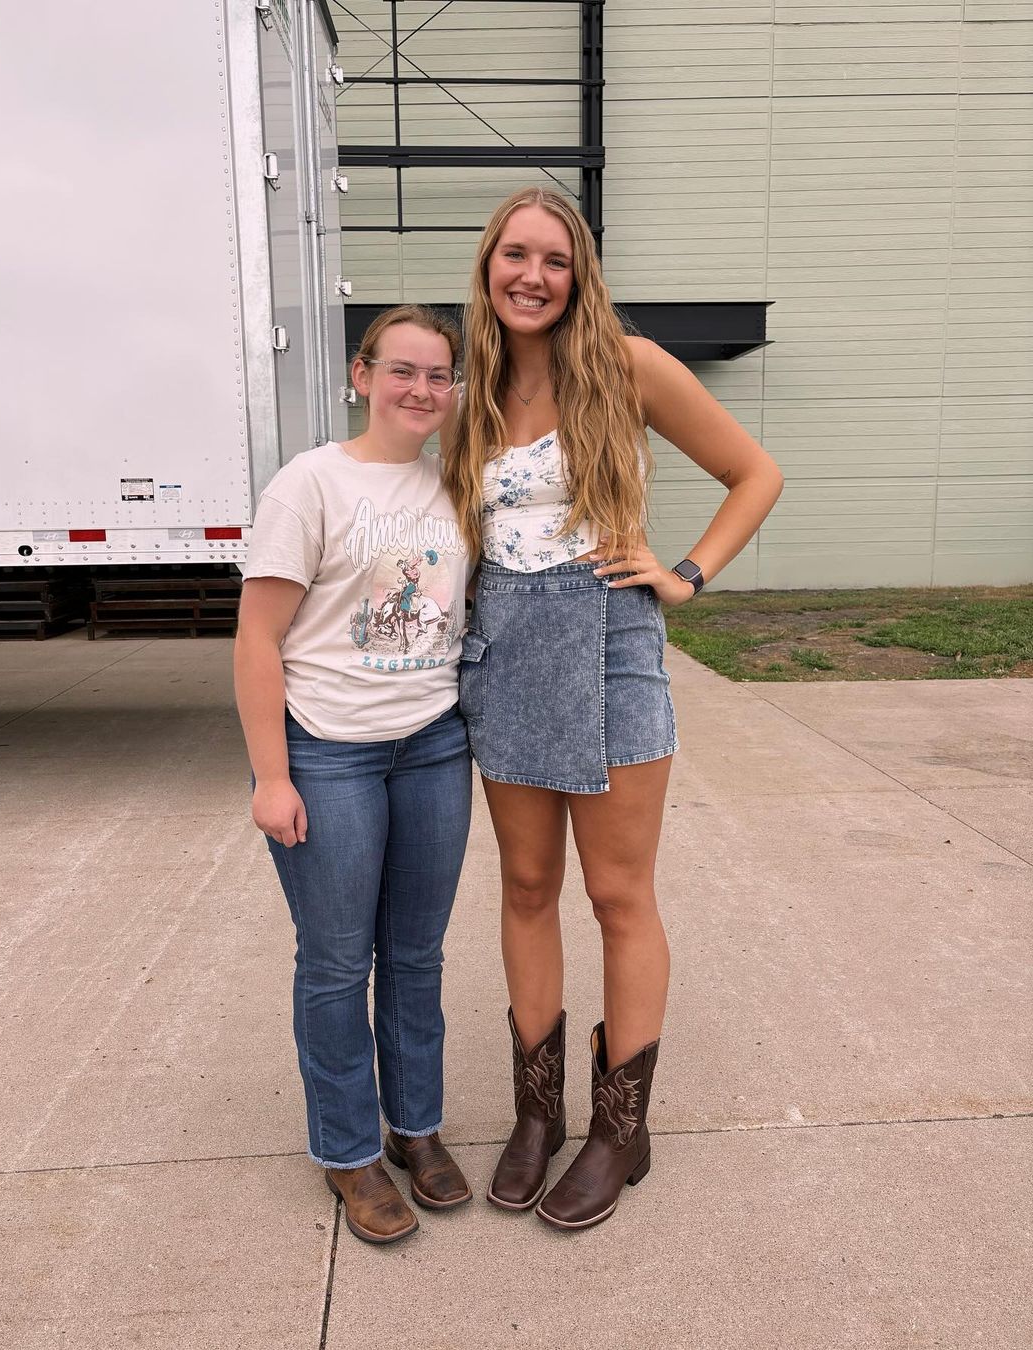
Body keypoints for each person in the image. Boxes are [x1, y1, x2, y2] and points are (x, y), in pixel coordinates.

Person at [443, 187, 784, 1231]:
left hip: (610, 650)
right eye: (516, 255)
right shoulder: (470, 386)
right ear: (489, 267)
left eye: (555, 259)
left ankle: (619, 1129)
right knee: (526, 887)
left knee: (618, 894)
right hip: (504, 655)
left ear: (580, 274)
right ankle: (536, 1115)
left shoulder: (626, 365)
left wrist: (686, 575)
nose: (533, 275)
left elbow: (754, 473)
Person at [234, 305, 474, 1246]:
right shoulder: (310, 484)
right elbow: (257, 637)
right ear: (361, 376)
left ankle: (416, 1127)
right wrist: (272, 776)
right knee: (337, 962)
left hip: (433, 746)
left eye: (438, 374)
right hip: (328, 750)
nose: (421, 388)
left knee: (417, 955)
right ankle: (348, 1150)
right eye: (402, 370)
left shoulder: (457, 487)